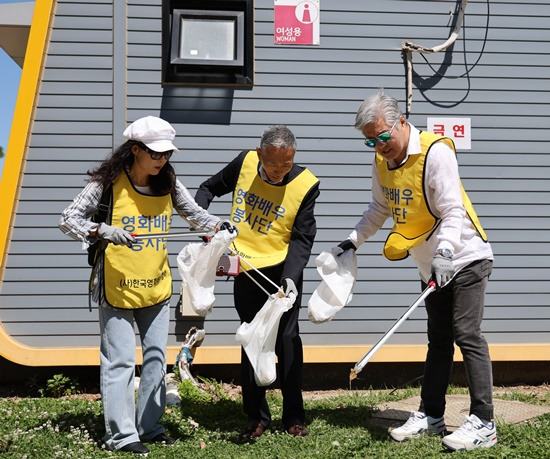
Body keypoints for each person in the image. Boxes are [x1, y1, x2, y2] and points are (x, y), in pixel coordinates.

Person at [59, 116, 234, 454]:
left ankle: (149, 427)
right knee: (120, 362)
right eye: (155, 154)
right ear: (135, 150)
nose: (162, 161)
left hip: (155, 285)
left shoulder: (168, 182)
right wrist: (101, 230)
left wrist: (219, 225)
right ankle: (121, 437)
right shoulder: (107, 184)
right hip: (117, 287)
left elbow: (196, 215)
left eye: (166, 154)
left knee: (155, 359)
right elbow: (68, 219)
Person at [336, 90, 496, 451]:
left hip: (465, 255)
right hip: (430, 264)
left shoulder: (435, 152)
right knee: (438, 341)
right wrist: (351, 242)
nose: (379, 146)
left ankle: (484, 422)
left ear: (401, 123)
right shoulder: (381, 164)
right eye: (370, 141)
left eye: (382, 136)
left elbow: (453, 209)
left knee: (466, 334)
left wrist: (444, 252)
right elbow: (379, 209)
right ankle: (432, 415)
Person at [195, 125, 320, 439]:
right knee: (251, 337)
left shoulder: (305, 185)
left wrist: (292, 277)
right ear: (260, 153)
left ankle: (294, 416)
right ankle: (256, 417)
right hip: (246, 267)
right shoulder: (244, 163)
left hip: (282, 272)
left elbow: (302, 238)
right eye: (273, 164)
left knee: (288, 341)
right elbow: (207, 189)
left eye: (286, 165)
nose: (279, 171)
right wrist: (206, 228)